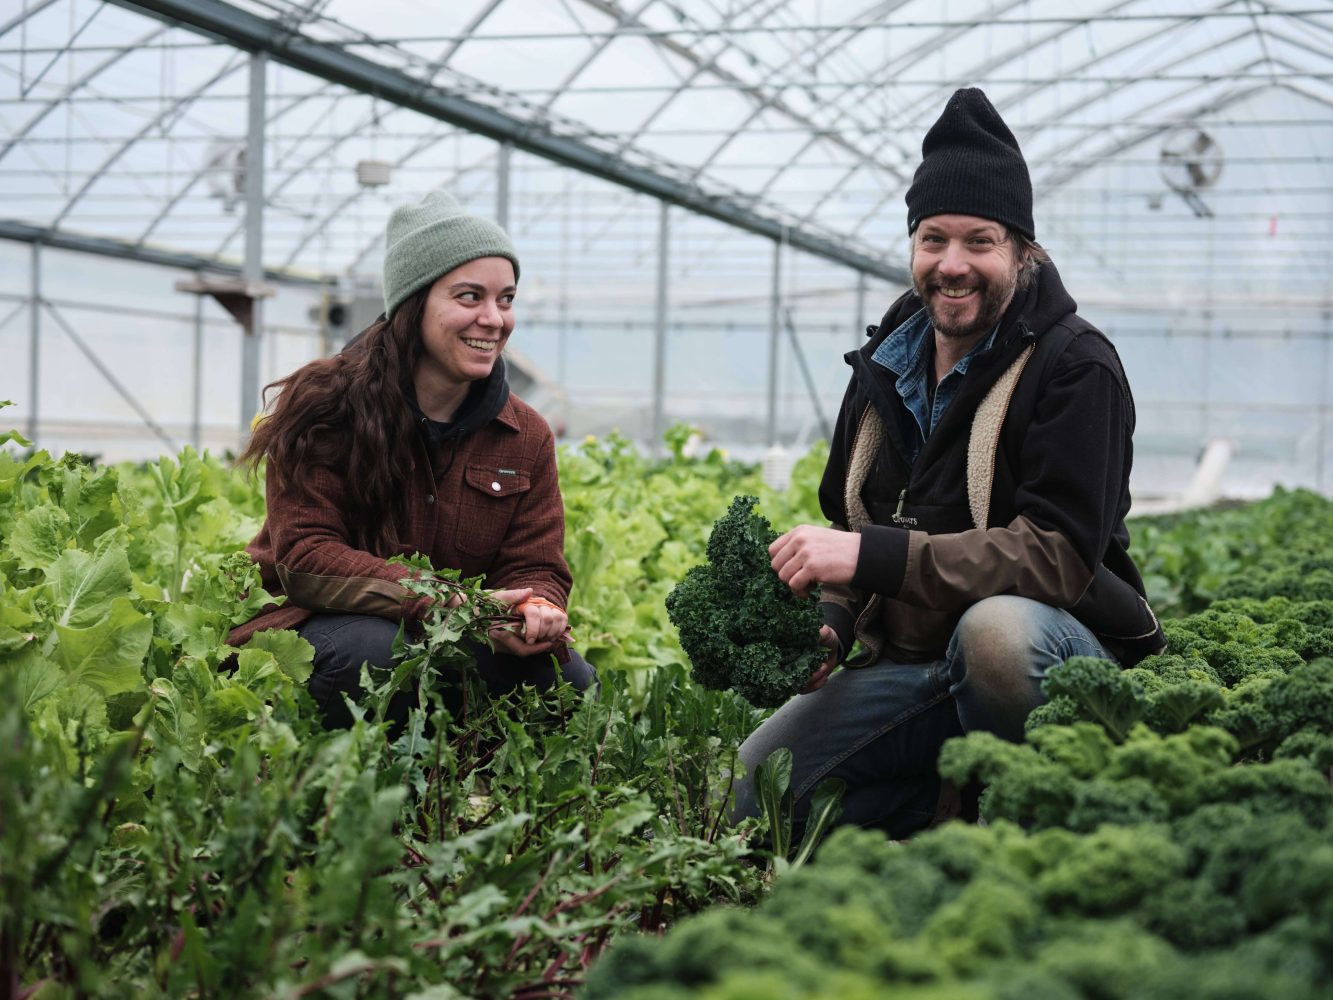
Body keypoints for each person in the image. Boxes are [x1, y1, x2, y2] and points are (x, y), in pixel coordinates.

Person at [734, 89, 1165, 839]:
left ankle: (1038, 821)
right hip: (910, 660)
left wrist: (869, 554)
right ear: (911, 246)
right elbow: (851, 523)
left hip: (1048, 648)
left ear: (1022, 250)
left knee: (995, 636)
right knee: (755, 796)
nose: (952, 265)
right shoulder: (882, 367)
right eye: (933, 239)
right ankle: (937, 811)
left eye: (980, 241)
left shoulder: (1074, 367)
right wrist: (831, 623)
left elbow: (1057, 556)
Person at [229, 189, 595, 729]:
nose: (494, 319)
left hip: (456, 634)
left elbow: (535, 564)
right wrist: (454, 605)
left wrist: (532, 610)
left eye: (507, 299)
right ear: (413, 303)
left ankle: (471, 798)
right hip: (315, 631)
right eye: (470, 297)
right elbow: (306, 556)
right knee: (380, 655)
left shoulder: (525, 435)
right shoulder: (327, 406)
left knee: (570, 681)